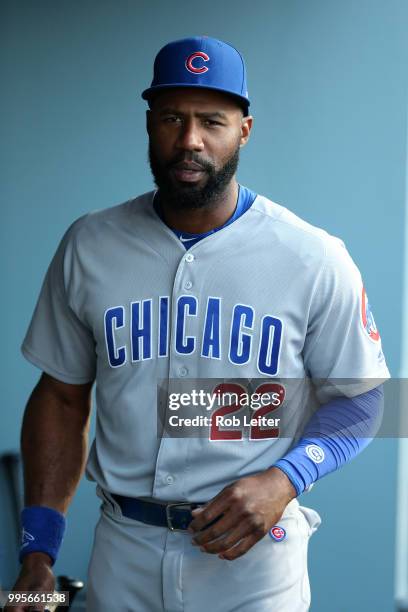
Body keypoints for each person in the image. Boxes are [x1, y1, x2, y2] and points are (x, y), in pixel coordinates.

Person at [9, 36, 389, 612]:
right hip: (123, 546)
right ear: (149, 125)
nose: (190, 140)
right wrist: (38, 552)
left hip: (254, 559)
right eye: (172, 118)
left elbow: (363, 401)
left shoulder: (313, 255)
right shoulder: (89, 243)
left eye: (212, 120)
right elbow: (61, 398)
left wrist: (286, 479)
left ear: (245, 130)